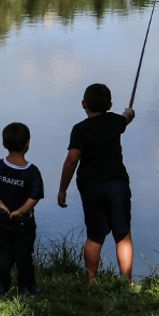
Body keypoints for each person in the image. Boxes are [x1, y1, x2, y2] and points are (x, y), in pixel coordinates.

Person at [58, 83, 135, 284]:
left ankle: (91, 281)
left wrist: (62, 189)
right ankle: (126, 282)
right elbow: (126, 118)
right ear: (110, 105)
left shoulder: (80, 130)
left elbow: (72, 158)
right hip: (118, 185)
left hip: (91, 187)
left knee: (95, 236)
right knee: (123, 234)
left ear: (84, 104)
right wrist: (129, 113)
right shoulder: (115, 121)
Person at [0, 122, 44, 296]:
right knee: (24, 254)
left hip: (3, 219)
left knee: (4, 253)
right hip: (24, 221)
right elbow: (34, 197)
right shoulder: (32, 172)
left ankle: (1, 286)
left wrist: (0, 204)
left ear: (4, 144)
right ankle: (27, 288)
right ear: (28, 144)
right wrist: (21, 211)